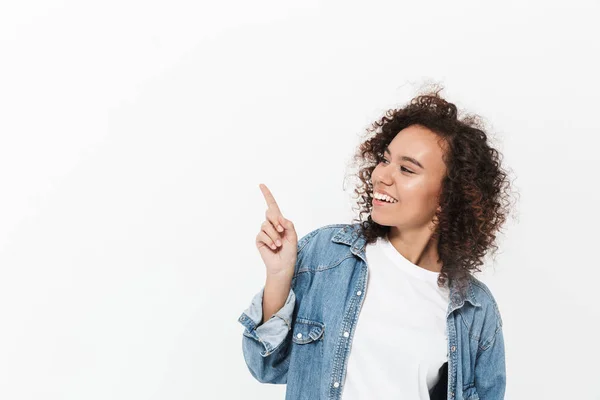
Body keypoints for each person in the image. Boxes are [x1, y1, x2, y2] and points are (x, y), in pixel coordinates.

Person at [238, 87, 513, 400]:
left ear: (448, 198)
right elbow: (266, 366)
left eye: (407, 169)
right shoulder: (328, 255)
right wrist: (279, 276)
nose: (381, 175)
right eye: (385, 160)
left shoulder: (474, 310)